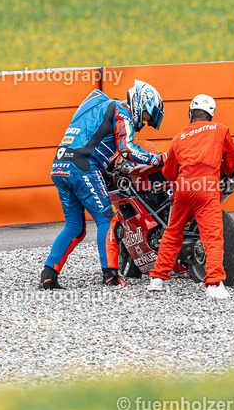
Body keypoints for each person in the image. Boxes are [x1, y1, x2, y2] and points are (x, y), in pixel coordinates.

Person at [39, 80, 165, 289]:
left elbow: (89, 135)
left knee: (75, 228)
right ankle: (111, 278)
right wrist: (157, 159)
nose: (144, 122)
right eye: (146, 115)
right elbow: (128, 150)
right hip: (82, 166)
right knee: (108, 220)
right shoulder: (121, 111)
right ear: (140, 103)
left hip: (60, 165)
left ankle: (48, 276)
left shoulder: (97, 103)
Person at [147, 94, 234, 299]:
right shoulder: (220, 130)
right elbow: (233, 162)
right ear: (211, 115)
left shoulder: (179, 137)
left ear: (191, 113)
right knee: (212, 236)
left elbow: (168, 173)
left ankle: (158, 279)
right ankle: (214, 285)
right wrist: (221, 168)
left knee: (172, 232)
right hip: (207, 187)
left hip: (183, 187)